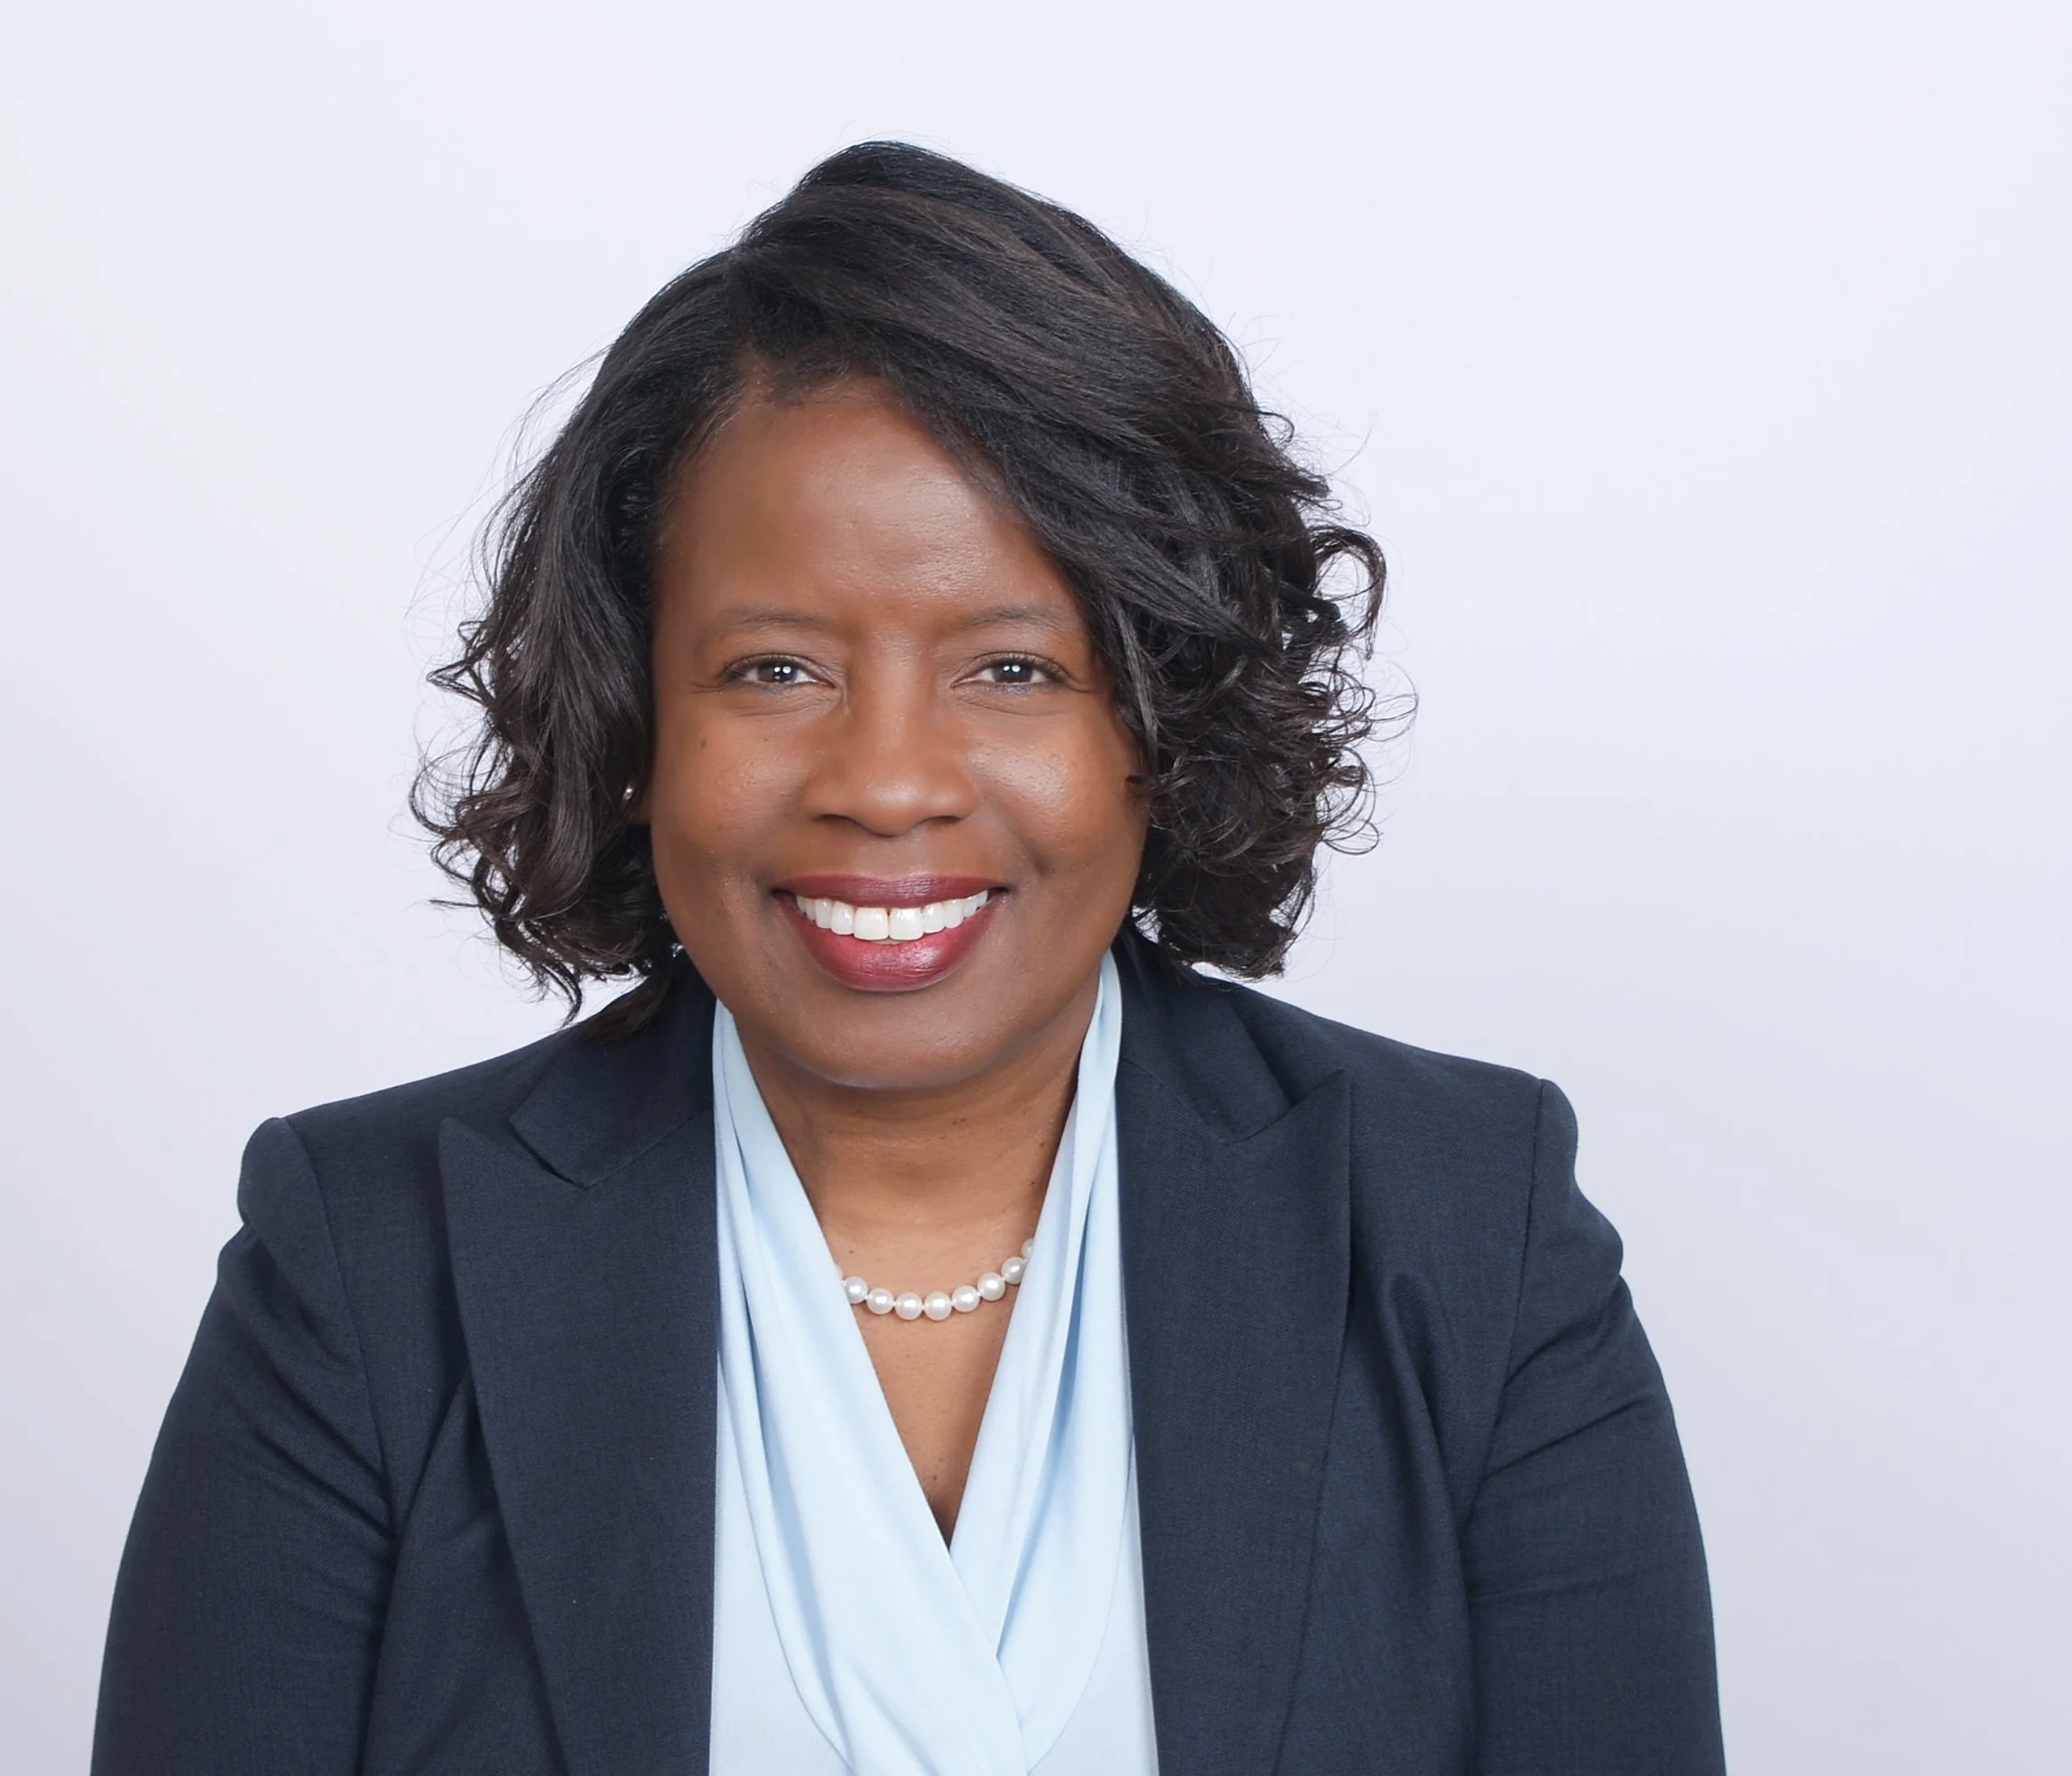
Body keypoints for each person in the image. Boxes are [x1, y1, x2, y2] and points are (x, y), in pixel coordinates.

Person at [93, 142, 1723, 1775]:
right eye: (775, 667)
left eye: (1013, 665)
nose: (884, 780)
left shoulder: (1471, 1231)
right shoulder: (372, 1264)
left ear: (1165, 716)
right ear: (635, 715)